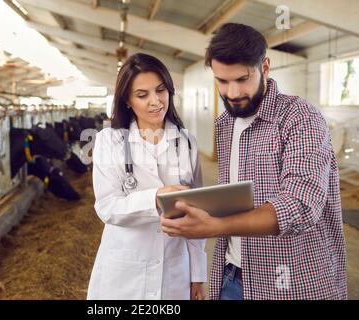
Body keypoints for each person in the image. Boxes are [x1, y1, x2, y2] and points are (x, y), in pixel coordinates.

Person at [160, 23, 347, 300]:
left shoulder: (300, 117)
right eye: (222, 81)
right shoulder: (225, 123)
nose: (233, 93)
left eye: (242, 79)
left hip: (293, 282)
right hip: (232, 275)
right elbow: (232, 198)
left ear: (266, 67)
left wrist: (216, 226)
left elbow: (302, 205)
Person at [87, 53, 207, 300]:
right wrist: (156, 197)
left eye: (161, 90)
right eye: (142, 95)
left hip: (174, 268)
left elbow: (199, 210)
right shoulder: (108, 141)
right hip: (124, 270)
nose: (156, 101)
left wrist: (197, 274)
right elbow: (107, 207)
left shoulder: (186, 143)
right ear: (127, 101)